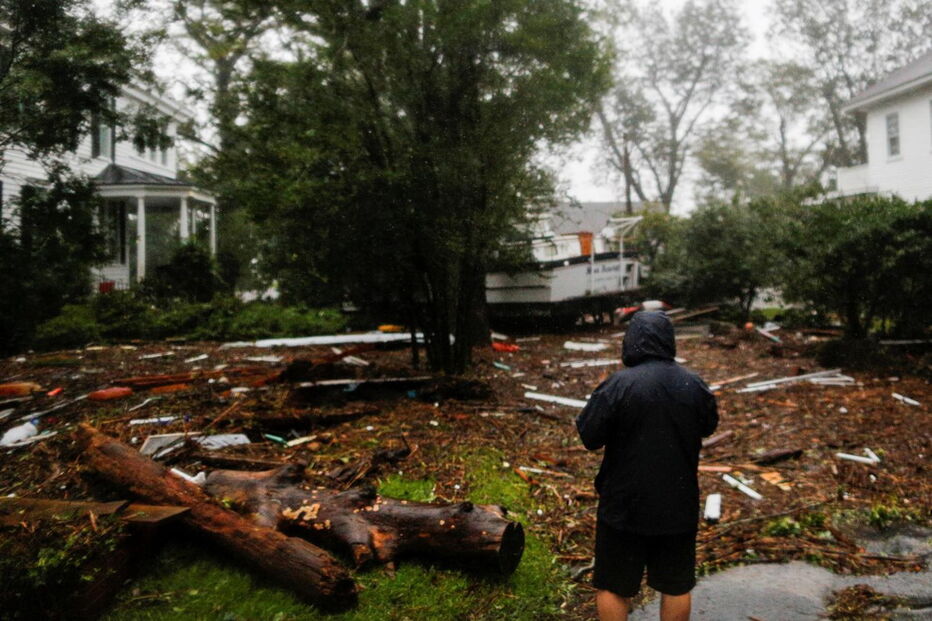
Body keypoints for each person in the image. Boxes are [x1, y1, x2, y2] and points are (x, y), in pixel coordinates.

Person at [576, 311, 718, 621]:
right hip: (678, 505)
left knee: (614, 585)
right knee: (676, 585)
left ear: (631, 341)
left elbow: (589, 435)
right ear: (669, 342)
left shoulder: (618, 385)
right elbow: (709, 426)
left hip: (624, 506)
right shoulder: (694, 385)